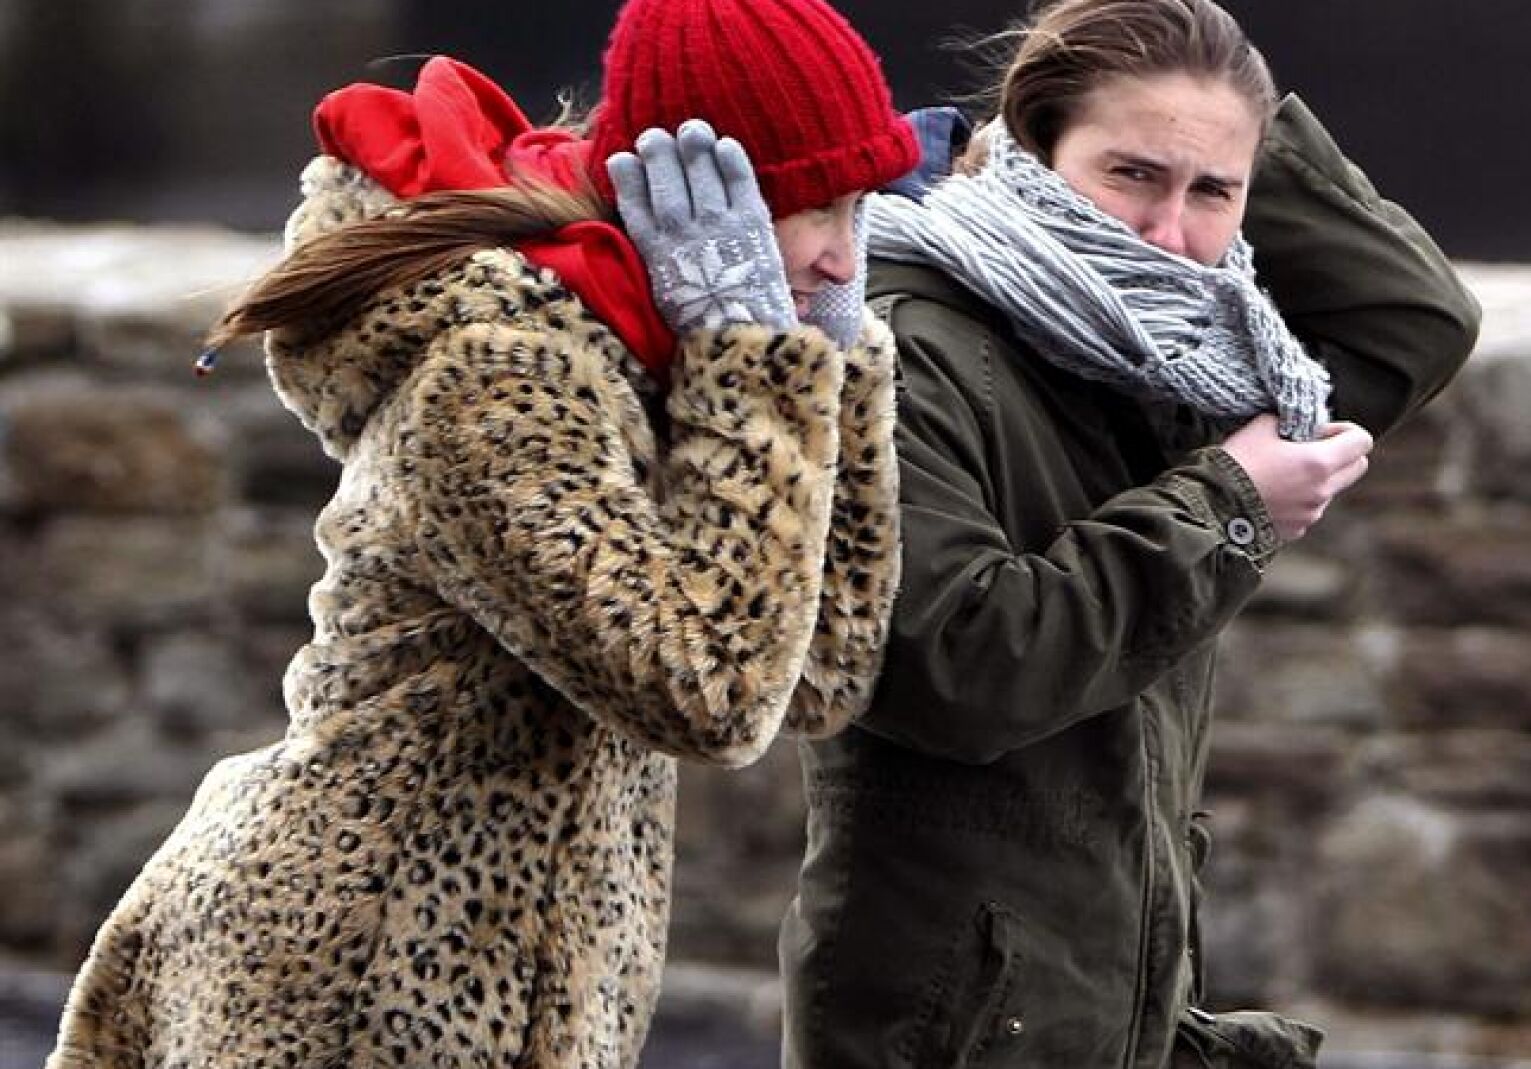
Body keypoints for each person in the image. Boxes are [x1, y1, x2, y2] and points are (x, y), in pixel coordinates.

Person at [46, 0, 918, 1065]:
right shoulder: (503, 370)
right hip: (358, 975)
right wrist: (755, 368)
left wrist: (837, 367)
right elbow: (714, 695)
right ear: (690, 203)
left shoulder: (658, 351)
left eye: (857, 208)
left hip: (520, 985)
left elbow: (817, 676)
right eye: (808, 209)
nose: (839, 255)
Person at [778, 1, 1482, 1066]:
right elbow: (958, 664)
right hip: (951, 1022)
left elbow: (1413, 319)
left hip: (1116, 992)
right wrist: (1231, 503)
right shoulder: (904, 338)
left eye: (1214, 194)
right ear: (1027, 149)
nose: (1167, 234)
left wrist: (1223, 130)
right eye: (1130, 174)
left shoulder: (1167, 351)